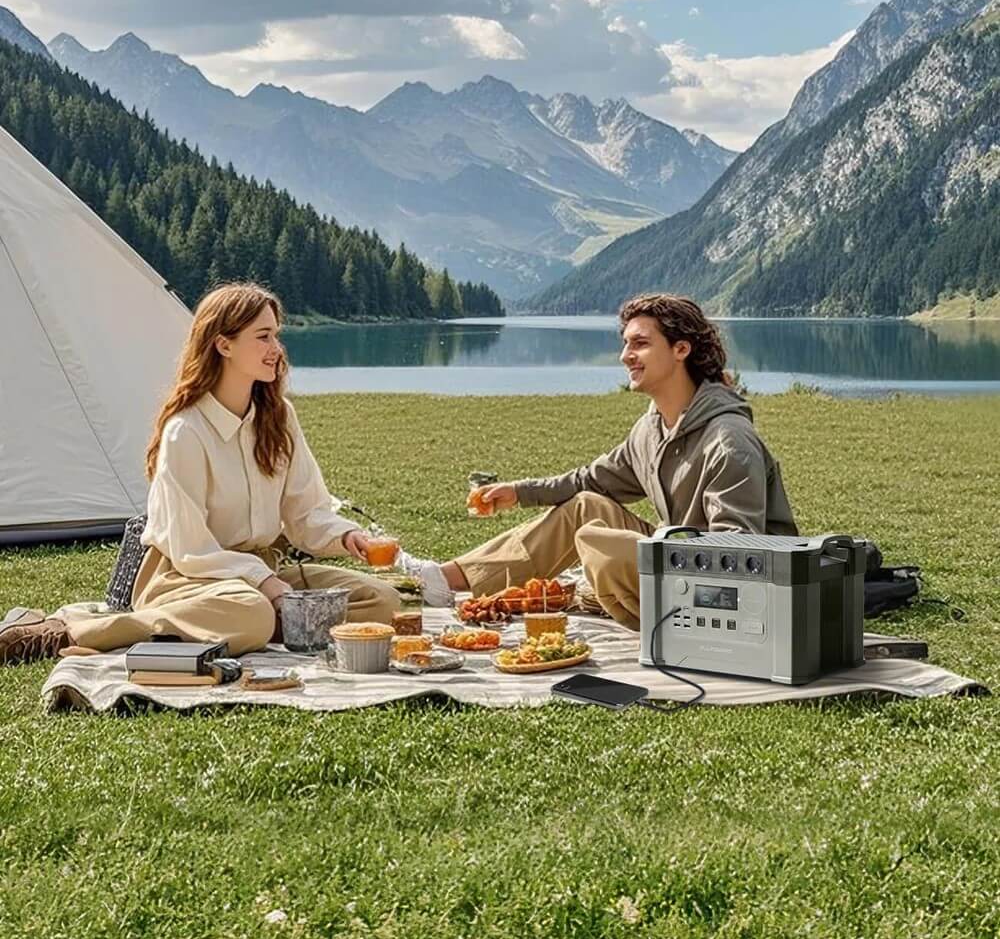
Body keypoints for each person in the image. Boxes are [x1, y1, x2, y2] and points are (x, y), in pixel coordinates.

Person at [0, 282, 427, 666]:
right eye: (263, 336)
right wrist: (267, 586)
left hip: (266, 571)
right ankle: (70, 630)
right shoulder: (186, 430)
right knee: (254, 613)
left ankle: (251, 629)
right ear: (223, 345)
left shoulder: (279, 418)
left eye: (276, 335)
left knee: (382, 601)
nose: (276, 348)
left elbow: (306, 511)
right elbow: (190, 546)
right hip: (188, 577)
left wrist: (344, 537)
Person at [400, 293, 797, 630]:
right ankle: (448, 580)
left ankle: (612, 594)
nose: (626, 356)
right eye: (625, 344)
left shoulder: (728, 441)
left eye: (640, 344)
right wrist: (518, 492)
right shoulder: (651, 430)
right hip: (676, 565)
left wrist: (633, 552)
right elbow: (590, 481)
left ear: (681, 349)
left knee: (599, 541)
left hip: (739, 596)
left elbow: (740, 557)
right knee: (587, 509)